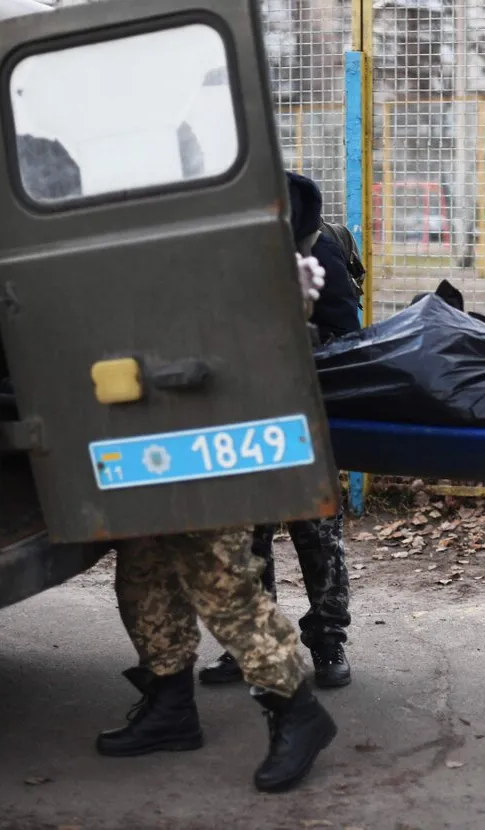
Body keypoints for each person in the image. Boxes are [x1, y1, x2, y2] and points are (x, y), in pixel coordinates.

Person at [96, 254, 339, 794]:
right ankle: (171, 705)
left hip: (206, 414)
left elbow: (262, 312)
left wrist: (289, 289)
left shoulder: (207, 210)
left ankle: (296, 711)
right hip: (139, 410)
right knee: (143, 567)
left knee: (218, 574)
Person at [200, 171, 360, 689]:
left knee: (318, 537)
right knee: (251, 539)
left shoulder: (319, 252)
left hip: (307, 418)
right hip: (248, 417)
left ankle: (328, 641)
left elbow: (344, 343)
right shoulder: (235, 241)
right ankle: (254, 644)